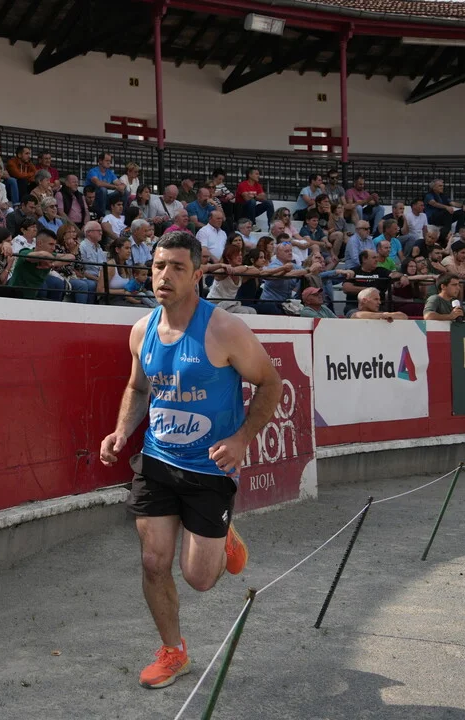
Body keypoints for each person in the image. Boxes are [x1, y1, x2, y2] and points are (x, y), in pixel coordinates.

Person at [99, 230, 279, 690]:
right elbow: (139, 387)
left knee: (199, 578)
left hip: (210, 467)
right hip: (157, 459)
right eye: (159, 266)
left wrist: (241, 439)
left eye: (177, 267)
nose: (165, 275)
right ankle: (172, 651)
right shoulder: (141, 330)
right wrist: (122, 431)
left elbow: (271, 383)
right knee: (153, 561)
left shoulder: (224, 329)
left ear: (197, 275)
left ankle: (224, 537)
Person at [8, 229, 73, 301]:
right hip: (13, 296)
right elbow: (41, 255)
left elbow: (71, 257)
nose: (53, 248)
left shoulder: (51, 255)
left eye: (54, 245)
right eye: (51, 244)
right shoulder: (25, 252)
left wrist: (52, 264)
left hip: (31, 297)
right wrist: (50, 258)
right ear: (39, 243)